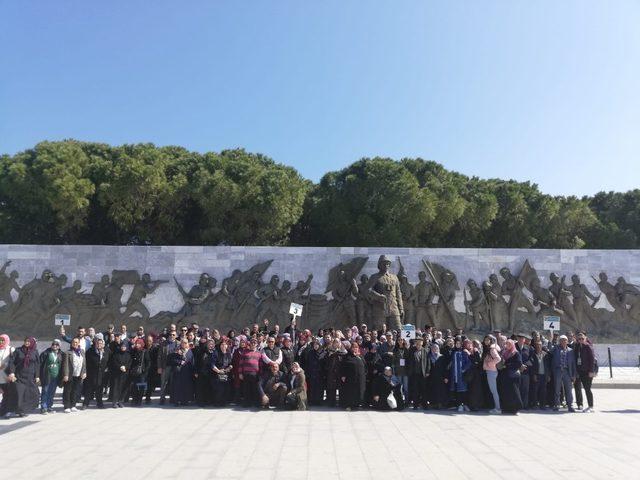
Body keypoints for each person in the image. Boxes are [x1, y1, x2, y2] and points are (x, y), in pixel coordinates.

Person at [7, 337, 40, 417]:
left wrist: (37, 376)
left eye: (29, 341)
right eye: (26, 341)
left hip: (30, 377)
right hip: (19, 376)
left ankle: (24, 410)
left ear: (32, 342)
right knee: (19, 393)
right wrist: (12, 373)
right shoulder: (18, 350)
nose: (27, 343)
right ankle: (19, 410)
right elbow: (12, 362)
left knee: (30, 394)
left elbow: (37, 364)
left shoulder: (35, 352)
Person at [549, 334, 577, 412]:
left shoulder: (570, 351)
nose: (563, 342)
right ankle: (557, 404)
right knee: (557, 388)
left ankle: (570, 405)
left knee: (569, 389)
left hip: (567, 371)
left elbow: (573, 363)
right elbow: (549, 350)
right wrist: (550, 340)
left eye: (565, 340)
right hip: (557, 371)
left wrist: (574, 375)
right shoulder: (556, 349)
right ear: (559, 342)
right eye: (561, 340)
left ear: (567, 341)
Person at [167, 338, 195, 406]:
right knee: (177, 387)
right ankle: (176, 401)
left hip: (187, 372)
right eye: (183, 342)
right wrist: (180, 362)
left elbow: (192, 361)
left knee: (186, 387)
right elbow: (171, 360)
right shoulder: (176, 350)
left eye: (186, 343)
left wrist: (194, 371)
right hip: (178, 372)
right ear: (181, 343)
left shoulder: (189, 351)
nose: (184, 344)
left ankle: (184, 401)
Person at [84, 337, 110, 409]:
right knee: (89, 390)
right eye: (97, 343)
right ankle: (85, 404)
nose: (99, 345)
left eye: (101, 343)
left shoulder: (106, 352)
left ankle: (100, 404)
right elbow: (86, 362)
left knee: (99, 390)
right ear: (95, 344)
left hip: (101, 374)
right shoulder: (90, 351)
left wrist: (107, 368)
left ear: (103, 345)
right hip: (91, 373)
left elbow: (109, 361)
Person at [62, 337, 87, 413]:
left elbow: (84, 363)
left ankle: (73, 405)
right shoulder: (68, 352)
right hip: (70, 374)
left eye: (76, 342)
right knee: (67, 391)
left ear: (79, 343)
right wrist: (65, 374)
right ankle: (67, 406)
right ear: (71, 343)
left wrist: (84, 372)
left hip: (79, 374)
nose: (75, 343)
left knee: (75, 391)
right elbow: (65, 364)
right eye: (74, 342)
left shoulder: (82, 352)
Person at [573, 331, 596, 412]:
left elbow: (592, 359)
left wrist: (591, 371)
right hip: (579, 371)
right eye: (579, 339)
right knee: (577, 388)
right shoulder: (577, 346)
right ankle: (580, 404)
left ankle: (591, 406)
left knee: (587, 389)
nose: (581, 340)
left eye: (582, 338)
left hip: (587, 371)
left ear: (585, 338)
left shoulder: (588, 346)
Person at [39, 339, 63, 414]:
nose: (55, 346)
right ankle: (44, 407)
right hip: (47, 375)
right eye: (53, 344)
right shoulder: (46, 353)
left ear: (59, 346)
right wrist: (38, 376)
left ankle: (49, 406)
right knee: (45, 391)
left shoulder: (61, 354)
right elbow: (40, 364)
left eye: (57, 345)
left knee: (52, 392)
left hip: (56, 376)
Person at [340, 343, 366, 411]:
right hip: (350, 378)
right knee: (350, 392)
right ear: (351, 348)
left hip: (360, 378)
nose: (355, 348)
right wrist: (343, 375)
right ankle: (349, 405)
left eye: (356, 347)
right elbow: (343, 366)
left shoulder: (360, 356)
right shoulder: (347, 356)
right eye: (353, 347)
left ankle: (357, 404)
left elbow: (365, 365)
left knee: (359, 391)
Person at [501, 339, 523, 415]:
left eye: (509, 344)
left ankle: (516, 409)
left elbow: (519, 363)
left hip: (513, 376)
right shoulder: (505, 353)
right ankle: (508, 409)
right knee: (507, 392)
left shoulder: (516, 353)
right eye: (507, 344)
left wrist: (507, 365)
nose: (508, 345)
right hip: (506, 375)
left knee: (514, 392)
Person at [407, 337, 430, 409]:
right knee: (415, 390)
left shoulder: (425, 351)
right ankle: (415, 405)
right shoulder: (412, 350)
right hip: (414, 374)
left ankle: (424, 405)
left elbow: (428, 362)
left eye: (420, 342)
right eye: (417, 342)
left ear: (422, 343)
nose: (418, 344)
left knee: (424, 390)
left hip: (422, 374)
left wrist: (427, 371)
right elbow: (408, 360)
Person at [238, 338, 262, 408]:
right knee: (246, 389)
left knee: (255, 389)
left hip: (255, 374)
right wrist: (240, 373)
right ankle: (247, 403)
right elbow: (240, 363)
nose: (253, 344)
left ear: (257, 344)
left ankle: (255, 403)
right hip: (246, 373)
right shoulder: (244, 352)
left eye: (254, 343)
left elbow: (260, 364)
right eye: (252, 343)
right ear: (250, 344)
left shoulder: (259, 353)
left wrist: (260, 373)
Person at [449, 337, 471, 412]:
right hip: (455, 375)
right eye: (456, 343)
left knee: (464, 390)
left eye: (459, 343)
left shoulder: (464, 352)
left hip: (462, 375)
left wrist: (463, 369)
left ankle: (465, 404)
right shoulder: (453, 352)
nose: (457, 345)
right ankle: (459, 405)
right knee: (457, 391)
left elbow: (468, 362)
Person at [482, 335, 501, 414]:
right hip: (491, 371)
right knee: (494, 391)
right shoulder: (490, 348)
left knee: (494, 391)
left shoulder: (492, 349)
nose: (486, 341)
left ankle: (498, 408)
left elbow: (498, 358)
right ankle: (497, 407)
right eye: (485, 340)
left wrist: (489, 364)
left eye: (488, 340)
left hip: (491, 371)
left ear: (491, 340)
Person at [158, 330, 178, 405]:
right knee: (163, 383)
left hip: (175, 367)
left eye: (173, 335)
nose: (171, 336)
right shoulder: (163, 343)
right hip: (165, 366)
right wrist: (159, 367)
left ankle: (173, 398)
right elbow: (159, 356)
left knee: (174, 383)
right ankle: (162, 398)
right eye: (170, 334)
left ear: (176, 336)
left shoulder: (178, 343)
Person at [109, 340, 131, 408]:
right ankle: (114, 402)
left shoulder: (128, 354)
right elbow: (113, 362)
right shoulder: (116, 353)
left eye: (124, 346)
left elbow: (130, 363)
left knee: (123, 387)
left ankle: (120, 401)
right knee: (116, 388)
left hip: (125, 373)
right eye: (122, 346)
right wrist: (120, 367)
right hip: (117, 373)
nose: (123, 347)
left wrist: (125, 367)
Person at [129, 338, 150, 406]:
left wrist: (145, 370)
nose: (137, 345)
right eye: (136, 343)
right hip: (134, 371)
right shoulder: (134, 351)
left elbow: (148, 362)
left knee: (141, 387)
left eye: (138, 343)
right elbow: (131, 360)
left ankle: (139, 400)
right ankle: (134, 399)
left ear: (141, 344)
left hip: (142, 372)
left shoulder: (144, 351)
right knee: (134, 386)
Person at [529, 339, 550, 409]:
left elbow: (548, 366)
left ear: (542, 346)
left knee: (543, 391)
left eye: (540, 345)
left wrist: (548, 375)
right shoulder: (532, 354)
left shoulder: (545, 354)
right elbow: (531, 366)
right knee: (535, 391)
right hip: (536, 375)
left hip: (544, 375)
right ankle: (534, 404)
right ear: (535, 346)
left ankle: (542, 405)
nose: (538, 346)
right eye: (537, 345)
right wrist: (533, 375)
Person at [212, 340, 233, 406]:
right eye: (222, 345)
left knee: (226, 388)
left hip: (226, 374)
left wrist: (229, 368)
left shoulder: (228, 353)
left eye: (225, 345)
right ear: (220, 346)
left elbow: (231, 364)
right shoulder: (216, 353)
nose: (223, 346)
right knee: (219, 389)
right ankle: (217, 403)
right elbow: (212, 365)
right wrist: (219, 371)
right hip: (217, 373)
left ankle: (224, 402)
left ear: (227, 346)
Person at [392, 338, 410, 402]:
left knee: (406, 387)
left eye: (401, 340)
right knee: (400, 387)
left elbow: (409, 360)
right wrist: (394, 370)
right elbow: (393, 361)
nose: (400, 341)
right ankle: (400, 400)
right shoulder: (395, 349)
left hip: (405, 371)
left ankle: (407, 401)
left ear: (403, 341)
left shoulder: (406, 349)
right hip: (398, 370)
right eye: (399, 340)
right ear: (397, 341)